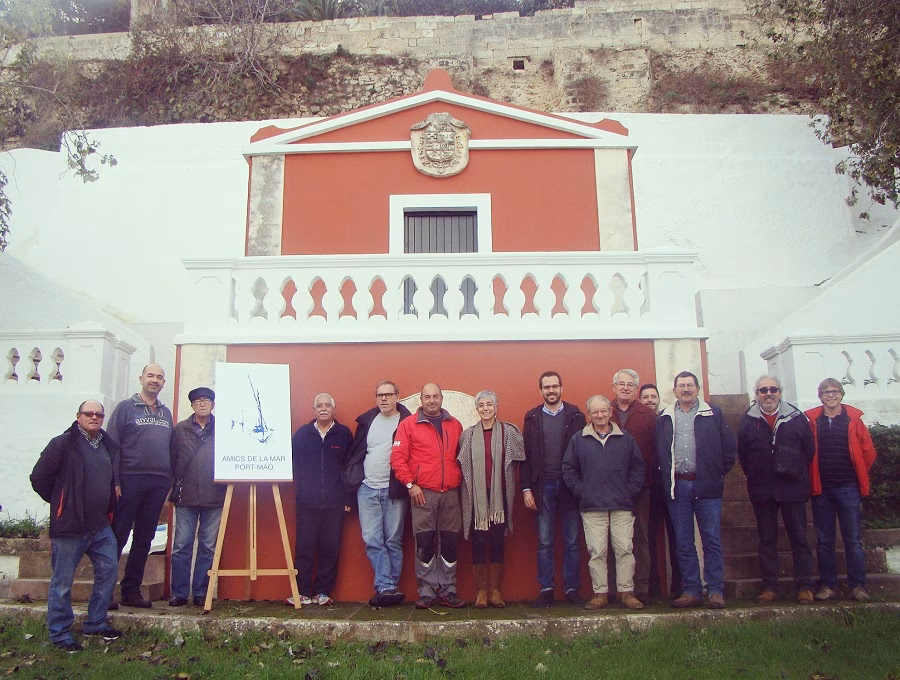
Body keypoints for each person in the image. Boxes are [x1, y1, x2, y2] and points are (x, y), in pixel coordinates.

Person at [30, 400, 122, 651]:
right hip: (70, 525)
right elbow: (39, 477)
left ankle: (95, 623)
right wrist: (62, 500)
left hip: (100, 525)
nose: (94, 417)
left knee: (109, 569)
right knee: (62, 581)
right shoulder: (62, 443)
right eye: (88, 413)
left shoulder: (106, 445)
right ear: (78, 416)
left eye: (99, 414)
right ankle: (60, 634)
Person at [657, 371, 736, 609]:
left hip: (706, 487)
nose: (686, 390)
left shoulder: (713, 414)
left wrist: (714, 474)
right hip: (677, 487)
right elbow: (659, 450)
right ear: (674, 391)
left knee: (711, 540)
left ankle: (714, 590)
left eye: (690, 385)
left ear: (698, 389)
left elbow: (729, 450)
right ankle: (691, 590)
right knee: (683, 542)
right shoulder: (665, 416)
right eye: (681, 386)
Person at [738, 375, 815, 605]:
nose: (768, 394)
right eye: (763, 390)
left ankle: (804, 586)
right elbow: (743, 455)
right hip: (762, 490)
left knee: (799, 539)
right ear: (756, 394)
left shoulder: (797, 418)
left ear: (780, 392)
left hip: (792, 488)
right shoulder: (748, 421)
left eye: (773, 389)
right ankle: (770, 587)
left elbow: (808, 451)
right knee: (767, 540)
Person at [563, 395, 645, 610]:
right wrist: (582, 491)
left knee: (624, 549)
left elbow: (638, 467)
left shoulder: (625, 438)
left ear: (610, 412)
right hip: (592, 506)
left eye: (603, 411)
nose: (599, 415)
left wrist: (630, 491)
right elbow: (568, 468)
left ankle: (626, 592)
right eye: (594, 412)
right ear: (588, 414)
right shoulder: (579, 439)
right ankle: (600, 594)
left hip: (621, 504)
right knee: (597, 552)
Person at [390, 383, 465, 609]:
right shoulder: (408, 425)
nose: (431, 400)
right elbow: (397, 458)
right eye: (427, 397)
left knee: (450, 544)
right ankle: (427, 592)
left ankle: (449, 590)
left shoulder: (456, 425)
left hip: (451, 494)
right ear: (420, 400)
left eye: (435, 396)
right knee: (424, 544)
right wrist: (411, 485)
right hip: (422, 494)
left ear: (442, 398)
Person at [805, 378, 877, 602]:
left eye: (835, 391)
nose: (831, 395)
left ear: (842, 394)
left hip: (848, 487)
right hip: (822, 489)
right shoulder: (812, 421)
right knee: (824, 540)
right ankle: (828, 585)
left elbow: (868, 452)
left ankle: (858, 586)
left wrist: (857, 472)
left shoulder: (853, 419)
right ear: (820, 396)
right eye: (826, 392)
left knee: (853, 539)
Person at [109, 363, 174, 608]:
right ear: (141, 379)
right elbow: (112, 446)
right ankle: (104, 592)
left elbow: (169, 448)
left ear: (163, 383)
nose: (154, 380)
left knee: (145, 538)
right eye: (150, 376)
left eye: (159, 377)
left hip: (158, 482)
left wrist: (168, 480)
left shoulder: (165, 413)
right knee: (118, 535)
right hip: (129, 480)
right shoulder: (125, 408)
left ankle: (131, 591)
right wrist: (114, 481)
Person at [344, 380, 412, 607]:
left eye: (388, 395)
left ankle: (386, 588)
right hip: (367, 488)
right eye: (379, 395)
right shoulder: (367, 422)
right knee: (372, 539)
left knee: (393, 540)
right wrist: (354, 480)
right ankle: (388, 587)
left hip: (395, 489)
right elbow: (356, 453)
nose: (383, 399)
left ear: (397, 396)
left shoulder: (408, 421)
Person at [521, 371, 587, 607]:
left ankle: (571, 589)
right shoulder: (532, 418)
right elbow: (526, 457)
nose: (551, 391)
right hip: (543, 487)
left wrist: (581, 485)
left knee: (571, 540)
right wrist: (526, 488)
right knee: (545, 541)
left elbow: (584, 454)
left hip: (570, 487)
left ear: (562, 388)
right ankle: (547, 588)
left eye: (555, 386)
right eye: (546, 387)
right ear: (541, 391)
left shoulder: (576, 416)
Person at [458, 390, 525, 608]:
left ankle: (496, 591)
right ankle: (480, 592)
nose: (485, 408)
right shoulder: (467, 435)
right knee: (478, 542)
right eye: (481, 405)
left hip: (500, 496)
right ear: (476, 409)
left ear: (496, 407)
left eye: (489, 404)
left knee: (498, 541)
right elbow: (463, 467)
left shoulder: (509, 432)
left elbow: (518, 461)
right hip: (476, 498)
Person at [290, 393, 353, 606]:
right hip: (307, 502)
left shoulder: (343, 434)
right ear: (314, 410)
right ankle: (302, 592)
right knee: (304, 548)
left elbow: (350, 468)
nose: (323, 408)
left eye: (327, 405)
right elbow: (293, 464)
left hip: (335, 503)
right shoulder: (302, 434)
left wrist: (348, 498)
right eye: (319, 405)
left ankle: (322, 592)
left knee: (330, 548)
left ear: (333, 410)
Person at [168, 386, 224, 608]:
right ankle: (179, 593)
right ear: (192, 405)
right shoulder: (180, 430)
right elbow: (171, 461)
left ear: (213, 404)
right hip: (186, 496)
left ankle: (201, 591)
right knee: (182, 545)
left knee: (208, 546)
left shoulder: (223, 428)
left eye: (207, 400)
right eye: (198, 401)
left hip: (214, 496)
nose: (202, 404)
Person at [608, 369, 657, 603]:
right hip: (608, 488)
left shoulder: (647, 414)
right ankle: (612, 589)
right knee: (610, 539)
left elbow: (657, 450)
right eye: (621, 384)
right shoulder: (603, 411)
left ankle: (641, 588)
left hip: (640, 486)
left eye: (630, 385)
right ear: (614, 387)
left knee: (640, 538)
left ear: (636, 389)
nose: (625, 388)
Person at [640, 381, 681, 598]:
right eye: (645, 397)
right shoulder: (640, 422)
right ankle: (653, 585)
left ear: (658, 399)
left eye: (652, 396)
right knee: (647, 537)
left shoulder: (667, 420)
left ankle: (679, 585)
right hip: (649, 487)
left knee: (676, 536)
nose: (649, 400)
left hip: (671, 486)